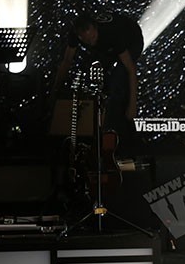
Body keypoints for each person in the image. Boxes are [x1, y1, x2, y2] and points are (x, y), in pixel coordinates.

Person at [52, 12, 144, 156]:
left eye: (93, 38)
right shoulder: (75, 34)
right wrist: (55, 89)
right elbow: (67, 61)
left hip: (132, 40)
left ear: (96, 29)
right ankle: (96, 133)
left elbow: (131, 70)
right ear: (79, 36)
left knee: (118, 80)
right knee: (95, 80)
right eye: (87, 41)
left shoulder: (112, 34)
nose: (91, 42)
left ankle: (119, 137)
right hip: (107, 45)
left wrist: (133, 104)